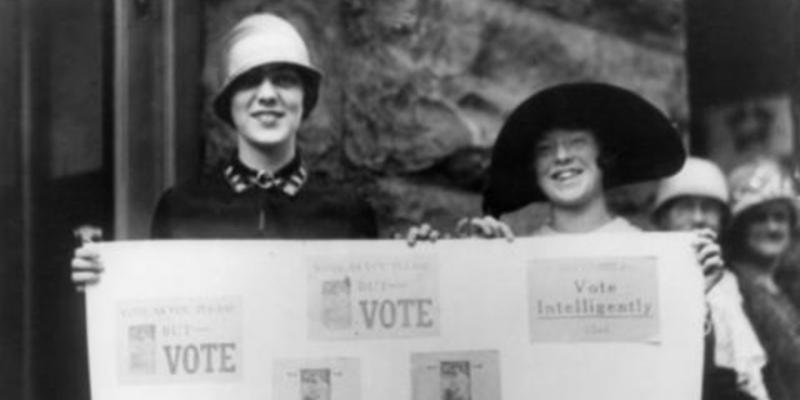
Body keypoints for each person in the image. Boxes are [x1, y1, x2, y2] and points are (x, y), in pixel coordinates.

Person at [72, 13, 377, 285]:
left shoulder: (349, 212)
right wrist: (103, 280)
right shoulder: (181, 210)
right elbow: (157, 304)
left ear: (305, 99)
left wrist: (406, 267)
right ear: (229, 102)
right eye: (249, 81)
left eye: (284, 80)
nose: (267, 95)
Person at [653, 157, 769, 400]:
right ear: (664, 219)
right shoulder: (651, 280)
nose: (698, 218)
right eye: (685, 207)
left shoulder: (735, 285)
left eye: (708, 208)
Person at [724, 158, 800, 400]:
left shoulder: (785, 288)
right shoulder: (732, 291)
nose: (772, 227)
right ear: (739, 227)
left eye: (780, 217)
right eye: (759, 218)